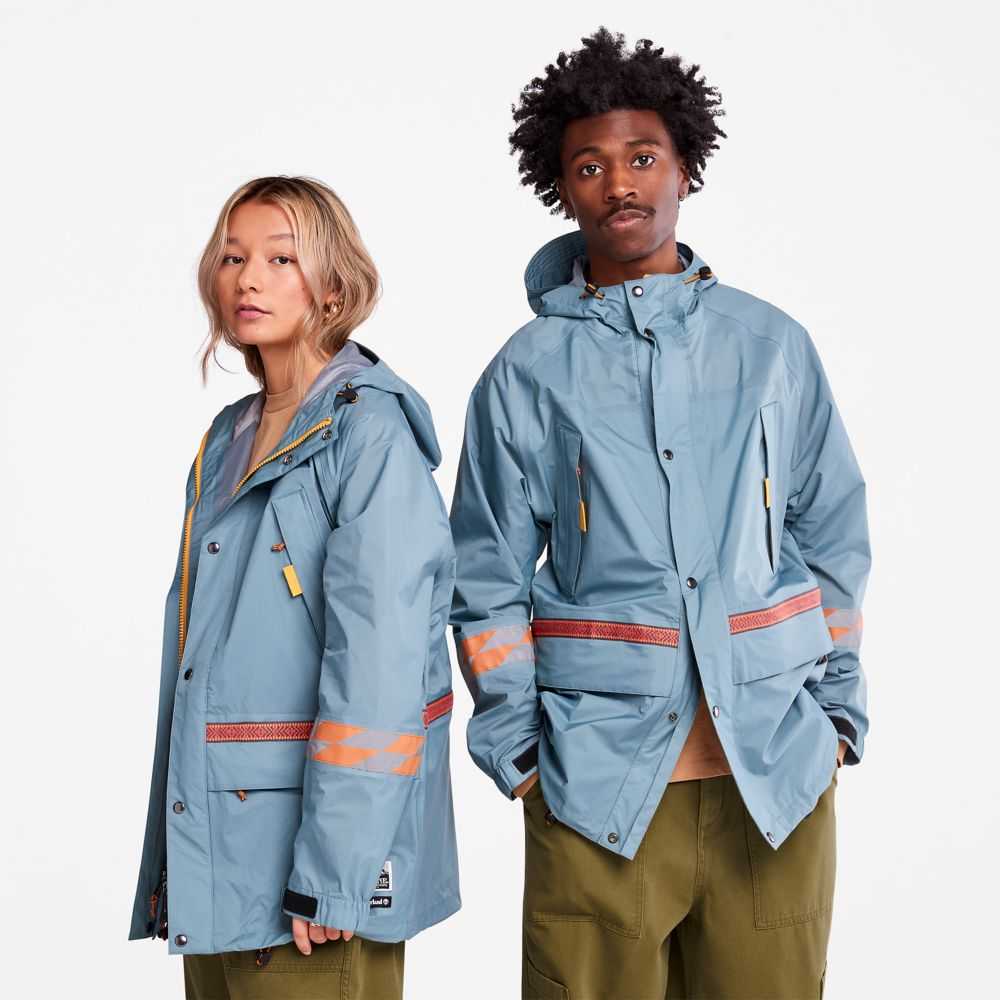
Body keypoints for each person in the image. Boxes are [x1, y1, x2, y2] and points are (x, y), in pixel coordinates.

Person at [449, 28, 869, 999]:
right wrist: (520, 750)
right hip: (597, 788)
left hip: (774, 778)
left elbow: (831, 534)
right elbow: (484, 575)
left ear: (686, 167)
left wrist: (837, 715)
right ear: (562, 188)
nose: (619, 184)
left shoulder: (771, 347)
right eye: (588, 166)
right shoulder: (524, 374)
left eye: (642, 158)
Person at [127, 176, 460, 999]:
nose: (248, 279)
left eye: (281, 259)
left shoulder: (368, 435)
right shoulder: (229, 435)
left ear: (333, 286)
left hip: (310, 889)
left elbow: (380, 668)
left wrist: (337, 870)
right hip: (222, 861)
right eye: (233, 257)